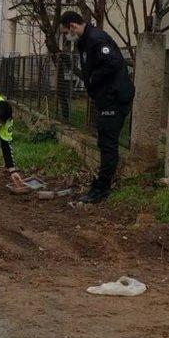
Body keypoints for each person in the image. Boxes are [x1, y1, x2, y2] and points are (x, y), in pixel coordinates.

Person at [60, 12, 135, 204]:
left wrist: (93, 79)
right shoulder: (85, 41)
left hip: (114, 99)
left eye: (65, 32)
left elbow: (113, 63)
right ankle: (101, 184)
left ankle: (102, 189)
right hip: (105, 99)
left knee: (108, 143)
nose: (66, 37)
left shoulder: (96, 39)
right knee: (104, 142)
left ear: (72, 26)